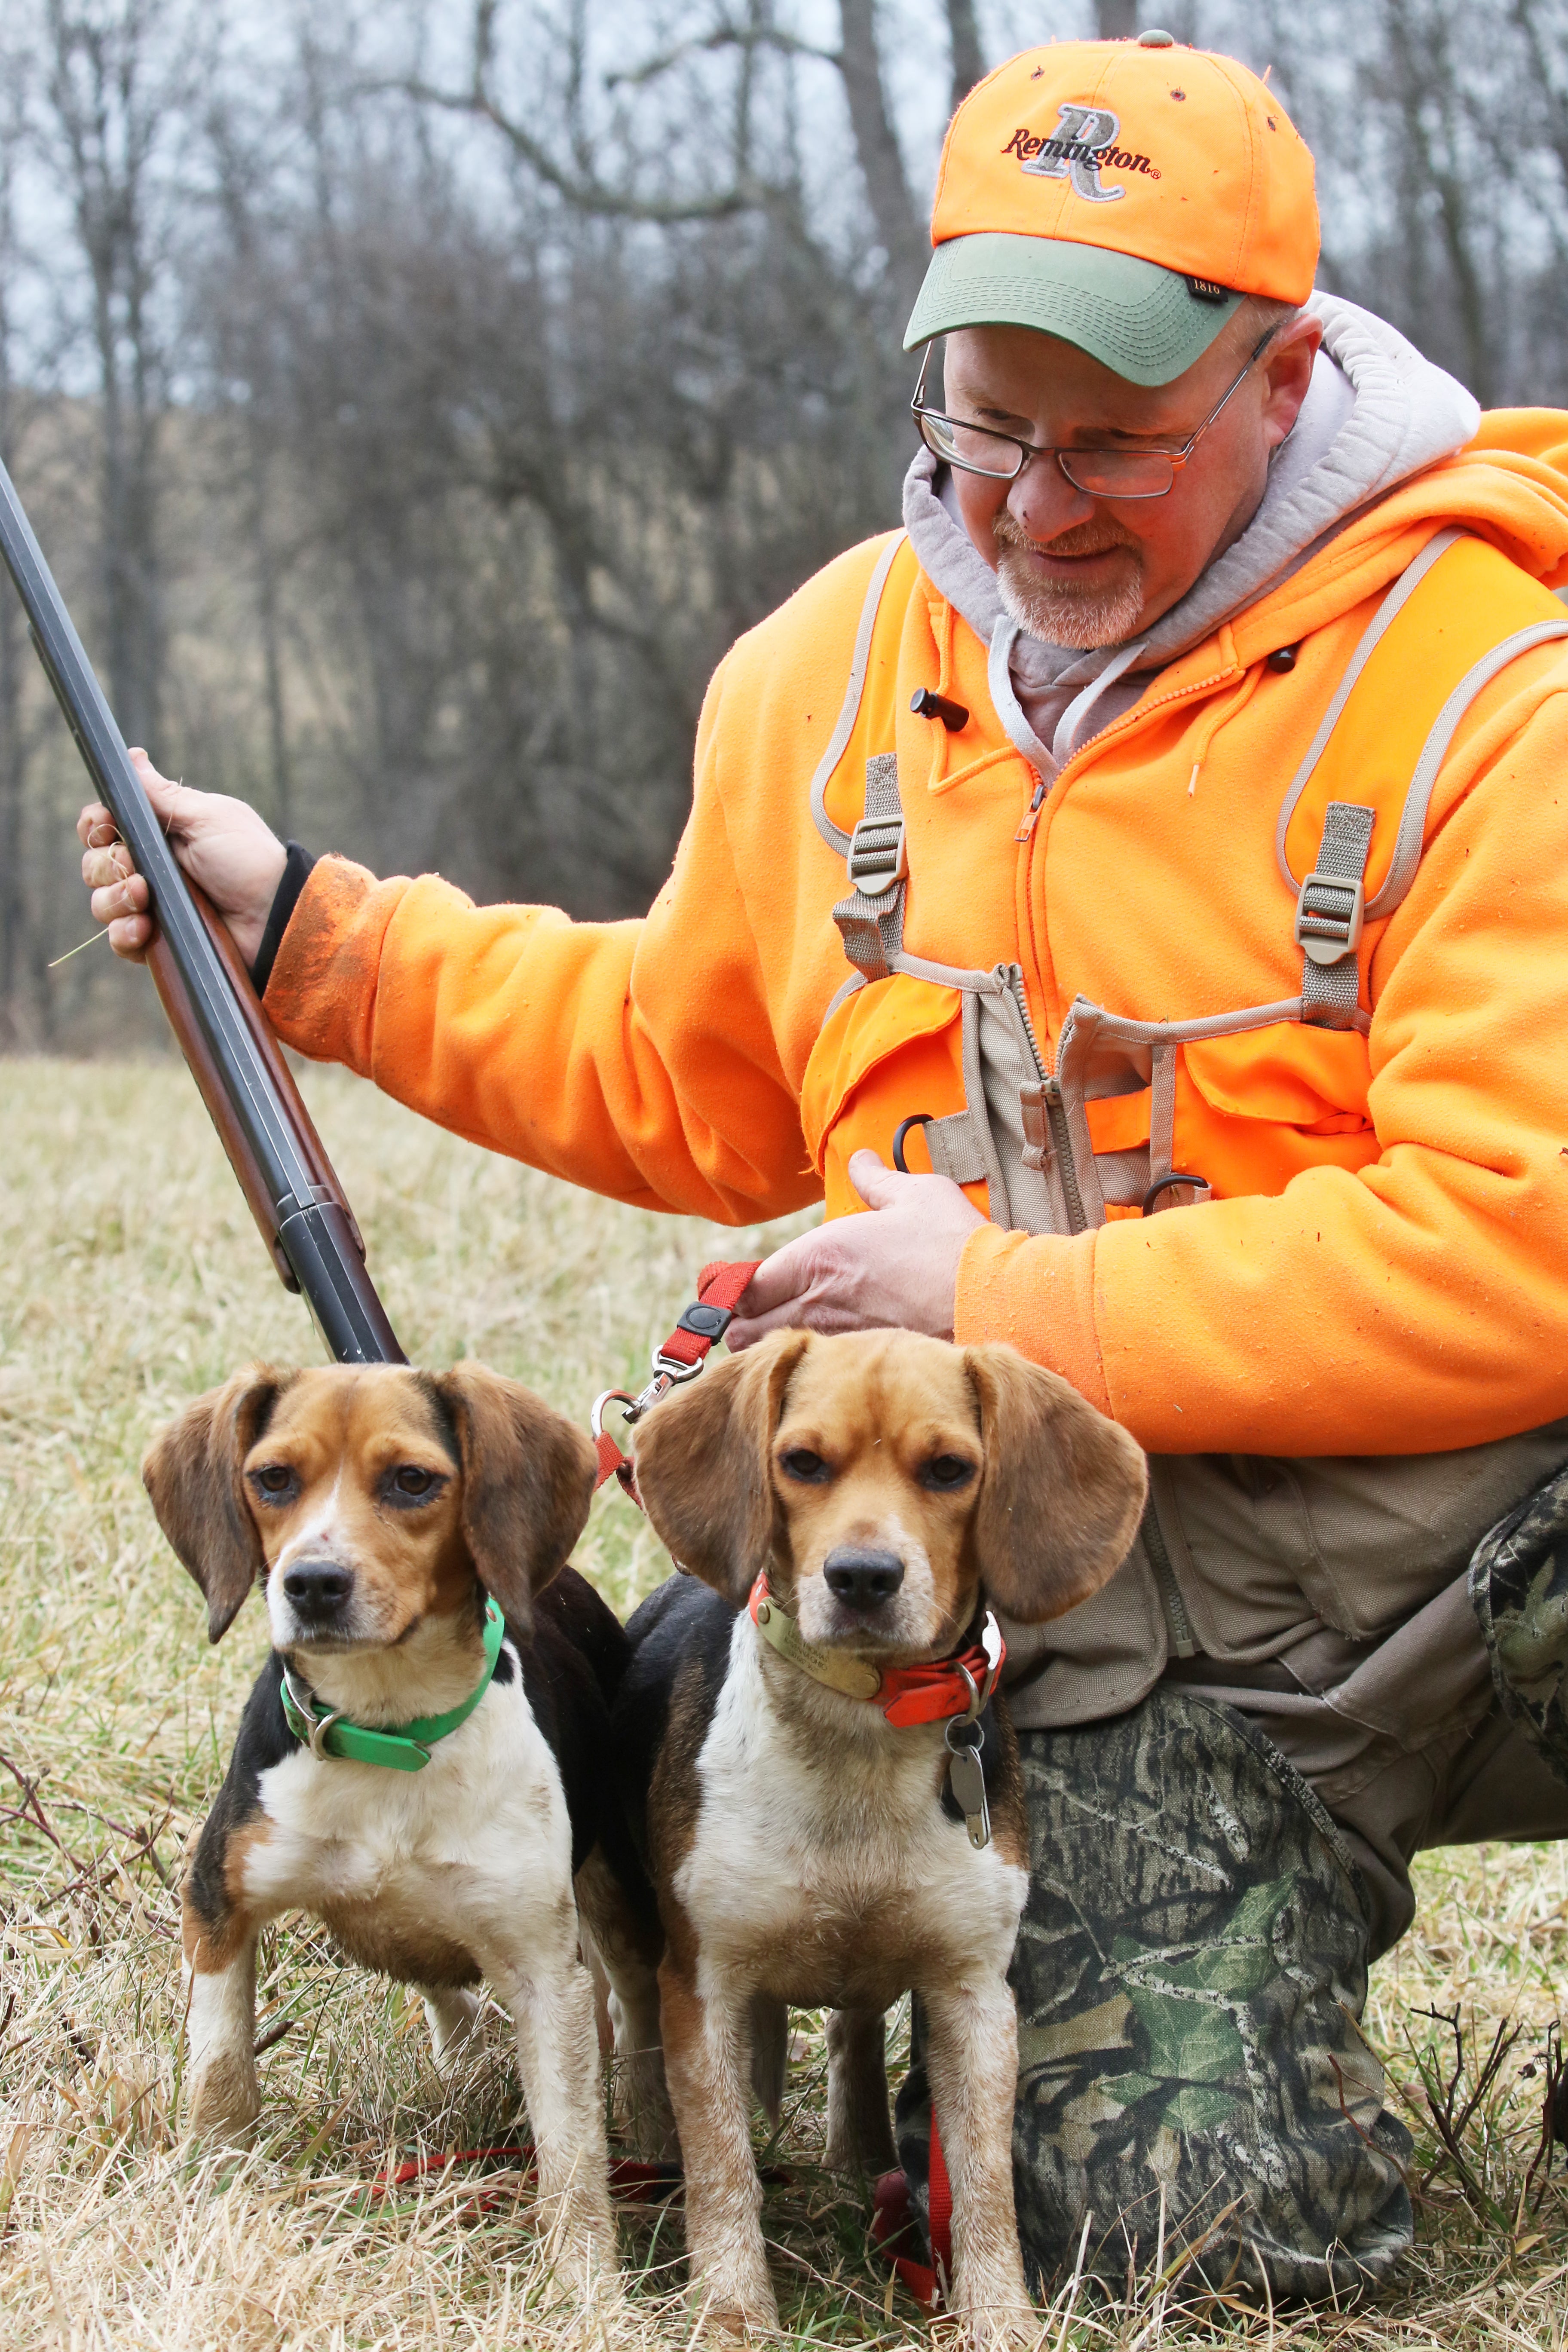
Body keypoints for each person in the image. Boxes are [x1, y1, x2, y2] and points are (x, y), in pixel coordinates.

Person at [80, 29, 1568, 2302]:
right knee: (1187, 2246)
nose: (1033, 504)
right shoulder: (833, 676)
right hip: (1097, 1657)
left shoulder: (1493, 686)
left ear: (1284, 378)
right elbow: (677, 1059)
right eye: (984, 424)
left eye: (1116, 442)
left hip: (1459, 1574)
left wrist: (987, 1302)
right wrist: (314, 936)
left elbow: (1520, 1243)